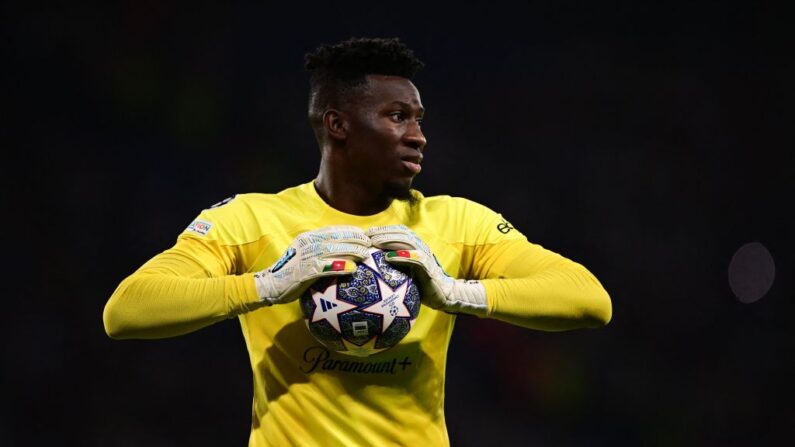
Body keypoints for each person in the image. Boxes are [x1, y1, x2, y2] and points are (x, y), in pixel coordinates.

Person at [103, 36, 612, 446]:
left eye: (418, 119)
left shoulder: (457, 223)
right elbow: (126, 312)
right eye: (397, 117)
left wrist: (457, 293)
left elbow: (590, 300)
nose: (418, 135)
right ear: (338, 124)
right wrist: (267, 284)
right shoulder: (252, 219)